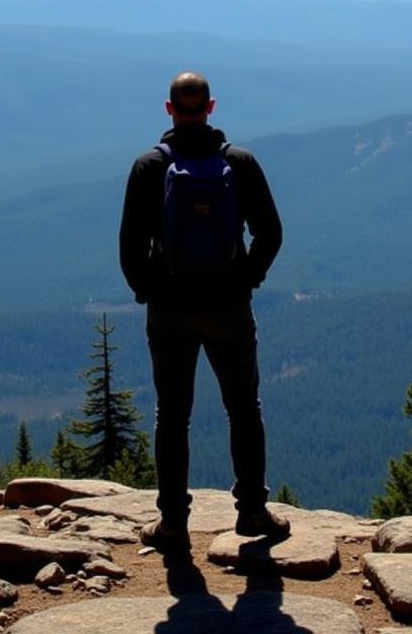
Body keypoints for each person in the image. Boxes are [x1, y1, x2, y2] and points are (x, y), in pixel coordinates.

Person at [119, 71, 288, 555]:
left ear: (169, 109)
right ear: (210, 107)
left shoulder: (148, 167)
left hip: (170, 310)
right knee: (243, 408)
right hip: (228, 309)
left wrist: (150, 292)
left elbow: (130, 249)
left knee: (172, 416)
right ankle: (252, 512)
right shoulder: (239, 163)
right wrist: (244, 279)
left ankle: (173, 522)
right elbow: (271, 234)